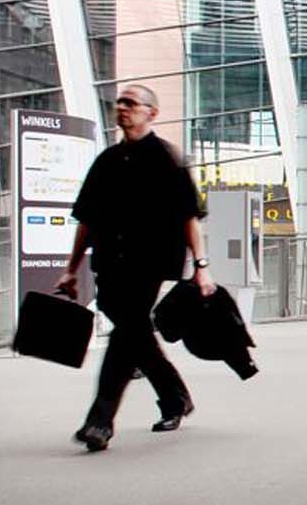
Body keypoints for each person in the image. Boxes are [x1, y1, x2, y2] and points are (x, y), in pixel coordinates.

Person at [55, 84, 213, 452]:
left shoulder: (168, 159)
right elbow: (86, 219)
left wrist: (201, 266)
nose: (122, 108)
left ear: (151, 113)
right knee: (134, 331)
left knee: (126, 332)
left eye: (131, 103)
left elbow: (189, 217)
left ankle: (100, 421)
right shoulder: (107, 161)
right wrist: (70, 268)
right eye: (119, 103)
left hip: (151, 262)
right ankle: (174, 397)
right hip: (110, 262)